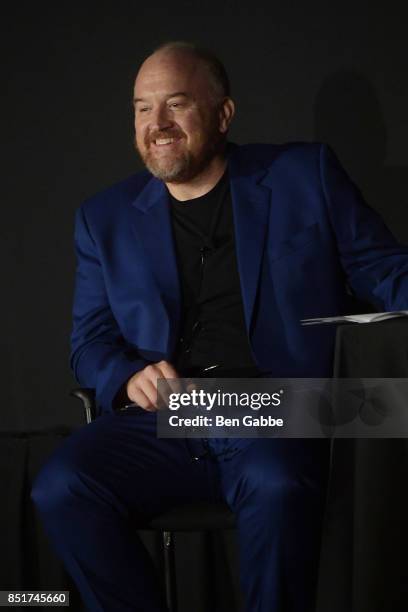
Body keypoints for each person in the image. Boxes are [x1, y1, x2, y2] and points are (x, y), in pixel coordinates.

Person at [31, 41, 408, 612]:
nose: (156, 125)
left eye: (176, 104)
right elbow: (89, 342)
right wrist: (127, 375)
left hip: (282, 407)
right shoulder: (102, 218)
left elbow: (385, 271)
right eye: (141, 108)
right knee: (60, 485)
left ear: (223, 114)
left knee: (292, 474)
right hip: (171, 417)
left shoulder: (306, 175)